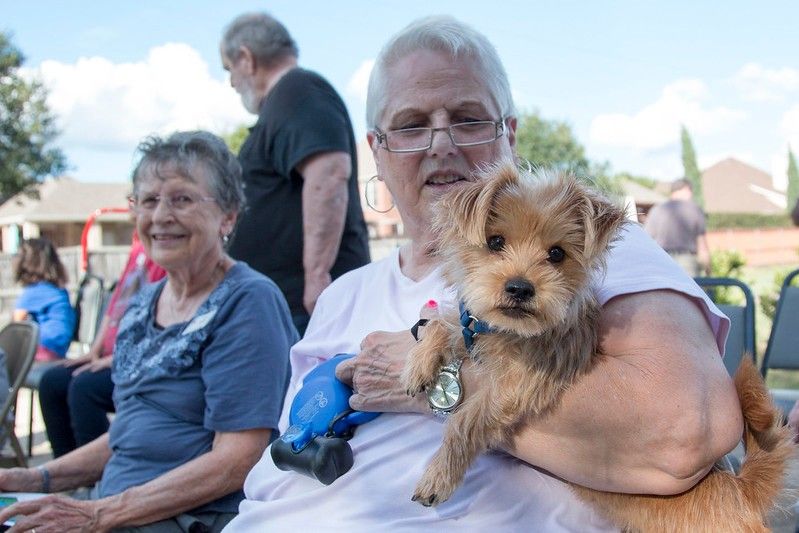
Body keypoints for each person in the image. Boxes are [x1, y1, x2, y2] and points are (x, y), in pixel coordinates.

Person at [225, 16, 742, 532]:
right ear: (377, 151)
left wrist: (439, 385)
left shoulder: (588, 249)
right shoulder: (342, 295)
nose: (441, 143)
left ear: (509, 134)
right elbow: (289, 445)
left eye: (468, 118)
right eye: (410, 126)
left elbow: (688, 431)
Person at [0, 131, 297, 532]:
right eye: (149, 200)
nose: (160, 216)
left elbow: (238, 458)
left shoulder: (247, 301)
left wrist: (98, 514)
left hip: (194, 517)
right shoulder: (144, 303)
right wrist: (35, 480)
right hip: (122, 507)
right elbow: (129, 434)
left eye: (182, 199)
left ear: (228, 215)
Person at [220, 12, 370, 335]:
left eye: (228, 69)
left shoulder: (299, 90)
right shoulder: (287, 99)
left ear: (246, 58)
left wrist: (317, 277)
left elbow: (329, 173)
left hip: (306, 308)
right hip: (289, 307)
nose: (231, 82)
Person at [38, 232, 166, 458]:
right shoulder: (137, 249)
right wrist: (94, 351)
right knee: (52, 381)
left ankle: (96, 477)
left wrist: (118, 358)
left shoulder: (165, 253)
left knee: (85, 387)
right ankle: (65, 469)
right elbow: (114, 305)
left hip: (141, 360)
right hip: (110, 356)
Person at [12, 237, 76, 361]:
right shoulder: (56, 289)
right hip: (58, 348)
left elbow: (15, 326)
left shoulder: (36, 292)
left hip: (46, 349)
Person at [644, 178, 710, 277]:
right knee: (688, 291)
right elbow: (702, 245)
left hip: (662, 261)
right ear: (686, 189)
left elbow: (646, 241)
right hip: (687, 263)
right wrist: (708, 270)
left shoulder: (657, 210)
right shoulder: (695, 210)